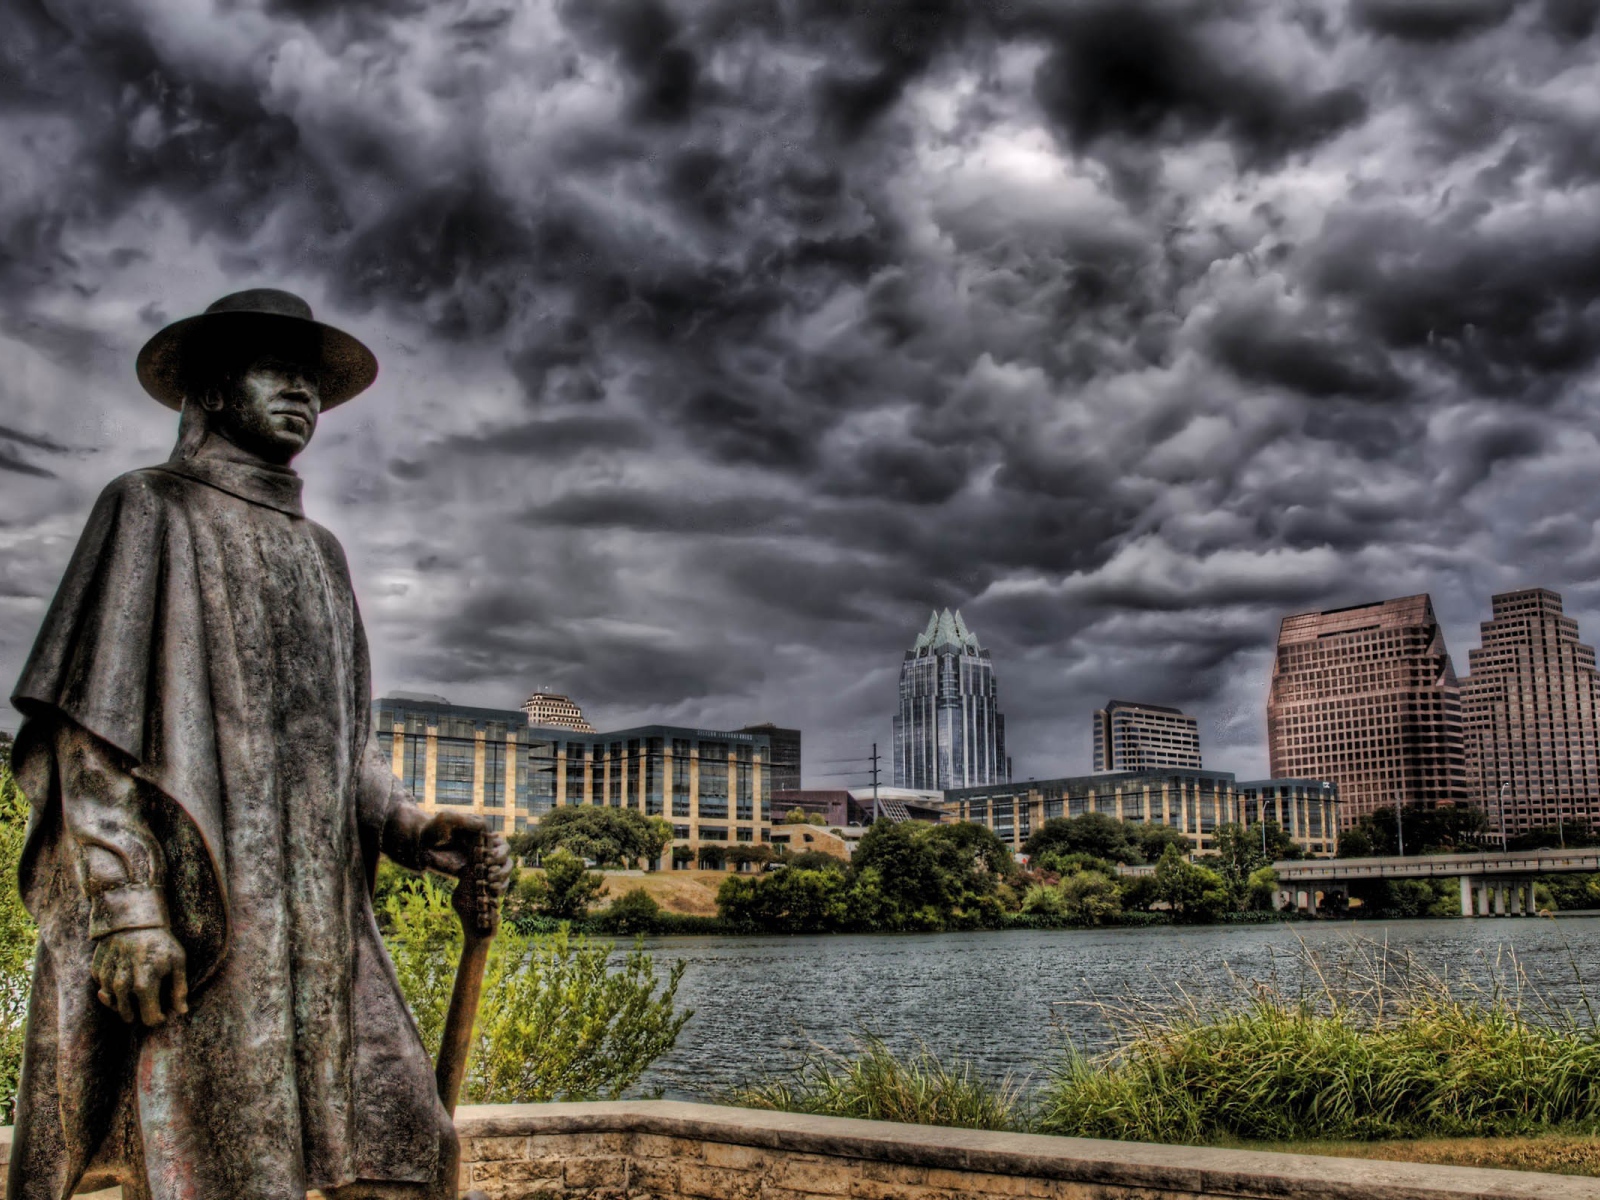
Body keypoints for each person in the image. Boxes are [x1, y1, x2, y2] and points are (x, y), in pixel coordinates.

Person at [8, 289, 511, 1200]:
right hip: (208, 928)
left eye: (314, 380)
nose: (304, 395)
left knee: (408, 1144)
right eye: (276, 370)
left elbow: (344, 744)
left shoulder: (321, 554)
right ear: (208, 388)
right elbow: (90, 741)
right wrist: (128, 907)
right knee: (225, 1170)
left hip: (323, 933)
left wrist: (407, 822)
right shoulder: (146, 510)